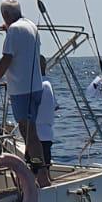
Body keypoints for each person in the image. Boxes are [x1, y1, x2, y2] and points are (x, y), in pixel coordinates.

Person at [0, 0, 44, 175]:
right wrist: (9, 29)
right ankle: (36, 171)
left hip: (22, 90)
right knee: (31, 133)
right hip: (36, 87)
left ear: (5, 14)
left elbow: (7, 58)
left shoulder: (14, 30)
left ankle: (41, 174)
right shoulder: (30, 25)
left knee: (28, 134)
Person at [36, 55, 56, 185]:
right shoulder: (48, 84)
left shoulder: (36, 86)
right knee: (46, 167)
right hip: (48, 134)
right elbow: (55, 106)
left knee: (35, 170)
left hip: (36, 135)